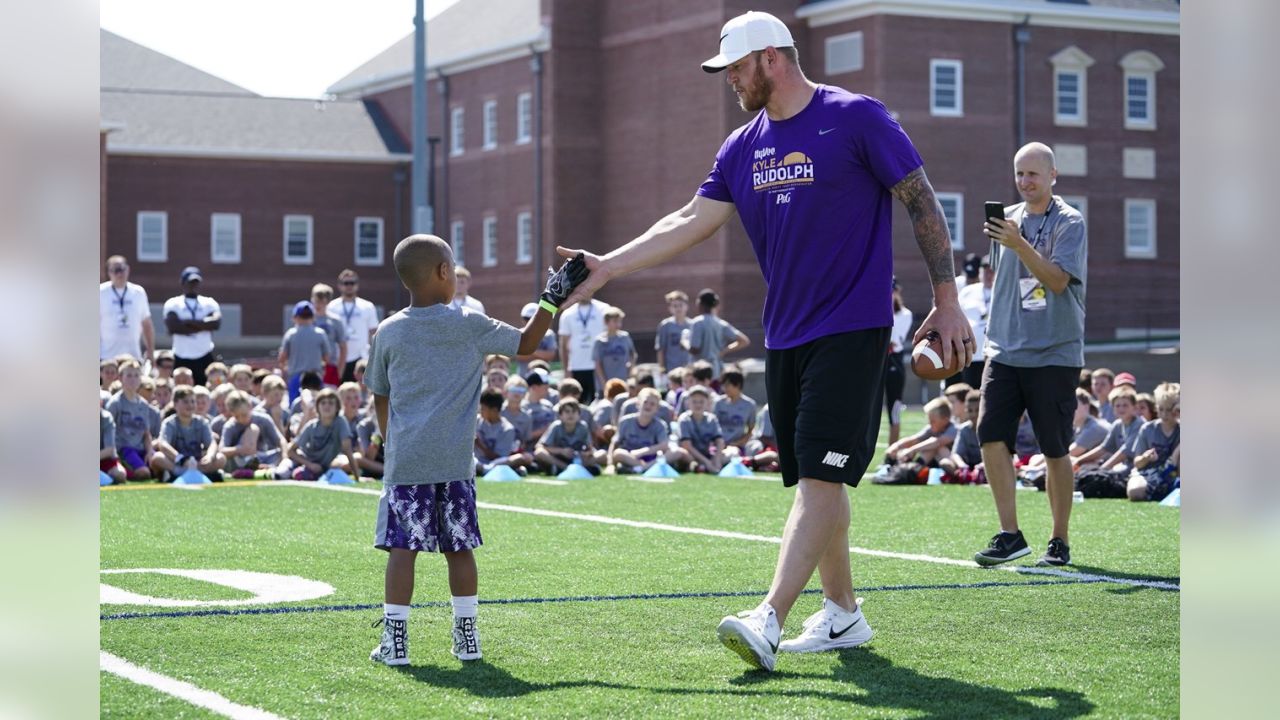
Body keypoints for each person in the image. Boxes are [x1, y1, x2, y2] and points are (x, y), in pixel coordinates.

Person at [552, 10, 969, 670]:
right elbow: (690, 219)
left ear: (771, 58)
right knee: (815, 476)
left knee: (819, 478)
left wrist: (948, 302)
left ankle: (769, 616)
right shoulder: (741, 146)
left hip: (851, 328)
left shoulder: (856, 116)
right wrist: (607, 265)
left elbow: (920, 200)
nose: (729, 81)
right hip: (786, 334)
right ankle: (843, 616)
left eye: (735, 68)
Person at [363, 234, 581, 666]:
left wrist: (391, 442)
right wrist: (552, 298)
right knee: (459, 549)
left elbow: (379, 395)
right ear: (445, 273)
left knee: (402, 550)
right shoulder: (467, 323)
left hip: (407, 461)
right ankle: (467, 638)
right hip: (455, 463)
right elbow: (527, 342)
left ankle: (396, 643)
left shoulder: (388, 331)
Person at [974, 141, 1087, 569]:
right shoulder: (1008, 220)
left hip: (1054, 352)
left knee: (1054, 447)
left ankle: (1058, 540)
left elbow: (1057, 282)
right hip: (1004, 347)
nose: (1024, 182)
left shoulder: (1070, 221)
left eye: (1033, 174)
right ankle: (1010, 534)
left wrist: (1020, 244)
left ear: (1052, 176)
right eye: (1019, 173)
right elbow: (1004, 281)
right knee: (989, 435)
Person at [162, 266, 221, 386]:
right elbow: (173, 327)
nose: (194, 286)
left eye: (196, 283)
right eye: (190, 283)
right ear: (183, 283)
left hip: (204, 356)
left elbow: (215, 323)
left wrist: (187, 322)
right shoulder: (173, 303)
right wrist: (202, 325)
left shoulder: (209, 302)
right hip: (181, 357)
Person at [152, 386, 224, 481]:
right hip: (177, 461)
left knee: (221, 458)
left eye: (193, 401)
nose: (190, 405)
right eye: (185, 402)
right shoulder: (169, 423)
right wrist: (181, 459)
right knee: (158, 458)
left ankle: (193, 473)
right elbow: (163, 444)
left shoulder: (202, 422)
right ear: (175, 404)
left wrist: (209, 457)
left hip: (198, 462)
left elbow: (211, 443)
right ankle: (180, 473)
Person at [286, 388, 357, 481]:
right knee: (290, 473)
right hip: (304, 463)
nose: (327, 406)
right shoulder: (311, 426)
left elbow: (348, 450)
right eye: (323, 403)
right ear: (317, 407)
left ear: (337, 408)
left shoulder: (340, 422)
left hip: (324, 467)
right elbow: (290, 450)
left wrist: (357, 477)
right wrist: (310, 465)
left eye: (331, 403)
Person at [610, 388, 686, 474]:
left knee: (677, 452)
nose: (648, 406)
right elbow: (614, 442)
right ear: (638, 404)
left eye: (652, 404)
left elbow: (664, 445)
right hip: (631, 456)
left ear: (657, 408)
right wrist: (610, 464)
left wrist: (642, 452)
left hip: (652, 458)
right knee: (618, 453)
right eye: (645, 402)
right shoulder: (625, 421)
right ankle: (642, 467)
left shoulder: (660, 424)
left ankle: (642, 468)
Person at [1126, 382, 1180, 502]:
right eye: (1161, 409)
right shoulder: (1148, 429)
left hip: (1174, 474)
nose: (1165, 414)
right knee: (1135, 492)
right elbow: (1137, 463)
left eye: (1170, 410)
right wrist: (1146, 458)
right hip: (1147, 473)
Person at [105, 360, 155, 480]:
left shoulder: (143, 404)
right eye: (129, 375)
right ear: (120, 378)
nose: (133, 379)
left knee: (159, 465)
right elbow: (107, 430)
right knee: (144, 473)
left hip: (140, 448)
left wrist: (150, 451)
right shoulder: (115, 403)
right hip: (124, 449)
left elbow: (146, 433)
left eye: (136, 375)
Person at [683, 288, 750, 378]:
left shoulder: (697, 322)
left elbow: (695, 350)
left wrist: (684, 341)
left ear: (699, 303)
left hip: (699, 374)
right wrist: (723, 351)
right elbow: (744, 341)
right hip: (716, 371)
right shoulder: (720, 323)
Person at [100, 255, 155, 363]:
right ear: (109, 272)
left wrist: (150, 351)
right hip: (107, 357)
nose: (120, 274)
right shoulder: (100, 292)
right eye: (116, 270)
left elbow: (146, 324)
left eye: (122, 269)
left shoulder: (138, 292)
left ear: (128, 270)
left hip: (133, 356)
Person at [220, 390, 285, 478]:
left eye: (244, 415)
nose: (241, 419)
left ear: (250, 407)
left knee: (285, 452)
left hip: (263, 455)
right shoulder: (230, 426)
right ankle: (251, 465)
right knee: (252, 430)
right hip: (241, 459)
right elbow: (222, 449)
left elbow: (280, 441)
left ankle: (269, 466)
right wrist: (240, 449)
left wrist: (284, 457)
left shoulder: (263, 419)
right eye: (237, 416)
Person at [331, 269, 381, 382]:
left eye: (352, 283)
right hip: (338, 359)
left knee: (358, 396)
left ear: (357, 285)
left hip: (361, 359)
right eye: (346, 283)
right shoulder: (332, 307)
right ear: (339, 286)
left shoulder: (367, 306)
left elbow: (374, 333)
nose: (349, 286)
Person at [558, 290, 609, 401]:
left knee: (599, 401)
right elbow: (563, 344)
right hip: (576, 367)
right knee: (577, 403)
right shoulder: (567, 314)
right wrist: (566, 369)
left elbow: (610, 337)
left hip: (599, 367)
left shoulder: (604, 309)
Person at [534, 399, 604, 476]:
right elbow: (540, 446)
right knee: (539, 452)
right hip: (560, 459)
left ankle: (578, 468)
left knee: (602, 454)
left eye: (574, 412)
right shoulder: (556, 426)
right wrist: (561, 451)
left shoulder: (583, 427)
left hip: (578, 458)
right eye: (567, 412)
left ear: (579, 415)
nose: (571, 415)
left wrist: (585, 453)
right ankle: (566, 468)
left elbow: (590, 448)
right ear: (560, 415)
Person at [279, 301, 331, 404]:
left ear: (295, 317)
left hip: (296, 378)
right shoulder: (320, 333)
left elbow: (282, 358)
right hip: (315, 378)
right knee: (316, 406)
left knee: (295, 408)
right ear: (313, 316)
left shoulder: (291, 334)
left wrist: (285, 369)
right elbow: (327, 358)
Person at [474, 388, 531, 476]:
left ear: (495, 410)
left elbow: (499, 457)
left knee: (519, 458)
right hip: (475, 460)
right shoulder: (476, 421)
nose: (481, 411)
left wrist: (479, 444)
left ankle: (485, 470)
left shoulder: (507, 429)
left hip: (495, 463)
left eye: (483, 409)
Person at [955, 256, 993, 388]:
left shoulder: (1003, 289)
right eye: (985, 270)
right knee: (970, 395)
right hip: (971, 354)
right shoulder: (967, 291)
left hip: (994, 355)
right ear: (980, 272)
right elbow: (957, 316)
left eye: (992, 270)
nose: (989, 274)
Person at [885, 278, 912, 446]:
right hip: (875, 364)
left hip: (893, 362)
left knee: (894, 410)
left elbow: (893, 340)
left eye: (892, 290)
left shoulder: (905, 314)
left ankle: (891, 456)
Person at [678, 386, 728, 473]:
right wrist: (707, 462)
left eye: (701, 402)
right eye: (694, 402)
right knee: (679, 453)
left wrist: (717, 459)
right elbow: (687, 445)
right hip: (691, 455)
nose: (698, 405)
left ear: (708, 403)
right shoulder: (684, 419)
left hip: (706, 454)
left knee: (732, 452)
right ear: (688, 403)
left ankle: (702, 467)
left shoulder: (712, 419)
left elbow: (720, 441)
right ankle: (699, 466)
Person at [311, 284, 348, 387]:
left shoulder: (335, 321)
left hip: (330, 367)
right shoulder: (306, 320)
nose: (318, 304)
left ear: (327, 302)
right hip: (310, 366)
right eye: (316, 300)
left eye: (322, 301)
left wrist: (339, 371)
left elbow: (343, 347)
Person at [715, 368, 758, 454]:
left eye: (727, 385)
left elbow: (750, 431)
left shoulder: (749, 405)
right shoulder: (718, 403)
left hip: (737, 447)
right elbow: (712, 427)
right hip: (717, 445)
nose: (724, 388)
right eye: (723, 385)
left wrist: (736, 444)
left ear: (737, 385)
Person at [593, 307, 637, 389]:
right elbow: (597, 364)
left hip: (623, 380)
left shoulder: (625, 337)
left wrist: (631, 369)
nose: (618, 324)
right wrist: (604, 383)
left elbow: (633, 355)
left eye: (620, 321)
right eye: (615, 321)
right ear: (606, 322)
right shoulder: (599, 341)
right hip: (607, 381)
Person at [514, 303, 558, 377]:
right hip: (523, 377)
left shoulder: (549, 334)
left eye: (532, 319)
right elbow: (518, 356)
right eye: (526, 318)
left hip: (544, 376)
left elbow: (550, 355)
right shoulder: (518, 334)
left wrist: (528, 351)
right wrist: (540, 354)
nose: (529, 322)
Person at [655, 290, 693, 372]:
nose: (678, 308)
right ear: (670, 308)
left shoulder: (692, 325)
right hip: (672, 369)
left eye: (681, 305)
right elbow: (661, 349)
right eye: (675, 306)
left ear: (686, 306)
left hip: (689, 369)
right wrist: (662, 368)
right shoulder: (665, 325)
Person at [99, 397, 127, 484]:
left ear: (100, 402)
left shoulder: (106, 418)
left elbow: (109, 450)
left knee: (120, 474)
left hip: (103, 460)